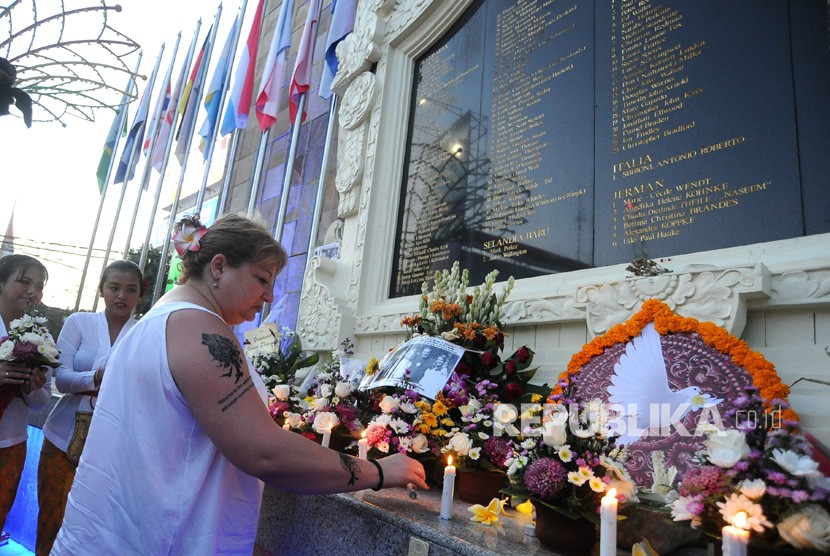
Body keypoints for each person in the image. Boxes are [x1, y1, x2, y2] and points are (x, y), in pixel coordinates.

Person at [52, 214, 427, 554]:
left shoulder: (161, 318)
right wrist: (380, 472)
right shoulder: (199, 327)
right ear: (219, 266)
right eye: (261, 279)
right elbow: (264, 451)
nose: (269, 296)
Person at [36, 260, 144, 555]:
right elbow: (63, 377)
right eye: (114, 288)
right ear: (102, 291)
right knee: (50, 518)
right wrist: (97, 378)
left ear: (139, 295)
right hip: (61, 437)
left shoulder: (142, 332)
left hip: (111, 446)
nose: (122, 295)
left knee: (93, 530)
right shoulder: (78, 323)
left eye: (131, 289)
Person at [0, 255, 51, 532]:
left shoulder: (41, 337)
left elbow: (40, 402)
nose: (33, 291)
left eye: (39, 285)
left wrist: (33, 387)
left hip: (11, 442)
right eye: (24, 281)